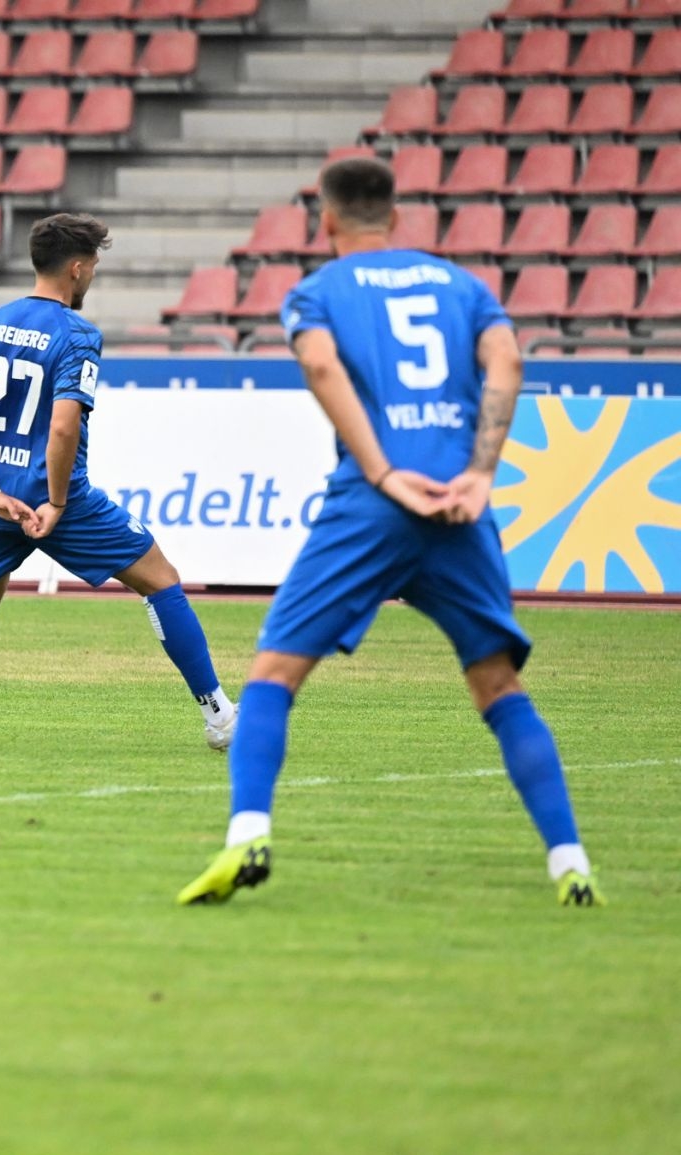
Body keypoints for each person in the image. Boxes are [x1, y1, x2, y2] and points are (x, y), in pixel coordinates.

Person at [177, 157, 601, 908]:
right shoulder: (462, 285)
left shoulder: (317, 291)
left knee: (273, 675)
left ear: (327, 220)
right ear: (397, 216)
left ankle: (247, 836)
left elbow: (320, 366)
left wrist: (381, 471)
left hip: (371, 506)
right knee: (498, 685)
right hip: (460, 505)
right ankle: (571, 863)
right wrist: (481, 472)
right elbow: (507, 360)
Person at [0, 214, 237, 754]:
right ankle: (220, 718)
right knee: (161, 580)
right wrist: (56, 502)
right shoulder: (77, 334)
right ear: (77, 268)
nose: (94, 275)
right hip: (60, 500)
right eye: (94, 265)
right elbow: (63, 427)